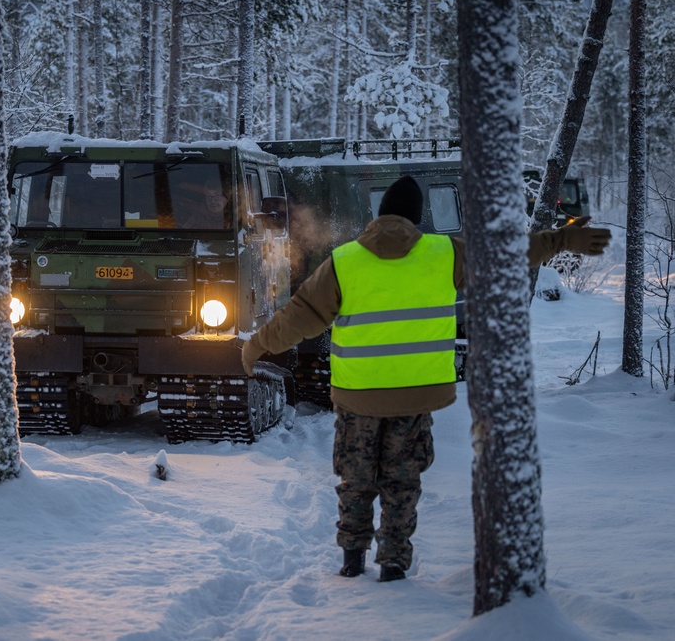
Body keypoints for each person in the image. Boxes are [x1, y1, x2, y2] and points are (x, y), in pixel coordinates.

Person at [241, 175, 611, 582]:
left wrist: (257, 344)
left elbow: (300, 316)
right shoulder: (444, 253)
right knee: (402, 481)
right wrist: (558, 240)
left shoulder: (345, 261)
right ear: (416, 218)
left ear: (379, 216)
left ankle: (352, 557)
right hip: (416, 397)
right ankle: (395, 562)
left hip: (359, 395)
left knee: (357, 477)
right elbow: (503, 255)